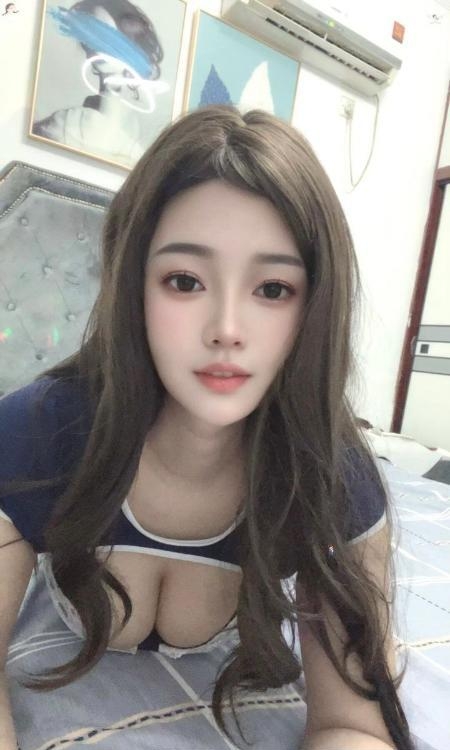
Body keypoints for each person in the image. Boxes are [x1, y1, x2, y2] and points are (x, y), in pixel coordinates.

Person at [0, 105, 414, 750]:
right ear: (133, 285)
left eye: (272, 289)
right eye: (184, 281)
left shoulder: (335, 478)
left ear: (315, 303)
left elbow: (353, 725)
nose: (226, 328)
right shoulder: (34, 434)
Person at [32, 0, 166, 166]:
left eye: (107, 37)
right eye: (91, 37)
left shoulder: (136, 145)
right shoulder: (67, 123)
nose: (96, 48)